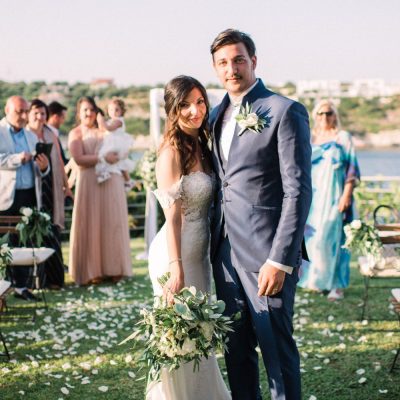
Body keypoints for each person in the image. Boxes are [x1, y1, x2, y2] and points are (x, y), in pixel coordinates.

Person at [209, 29, 312, 400]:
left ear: (254, 61)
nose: (231, 69)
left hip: (266, 257)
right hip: (223, 257)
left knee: (277, 354)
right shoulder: (215, 114)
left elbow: (298, 191)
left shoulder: (284, 111)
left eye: (238, 60)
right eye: (223, 62)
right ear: (215, 68)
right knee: (236, 353)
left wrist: (280, 260)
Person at [147, 76, 231, 400]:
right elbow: (173, 217)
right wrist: (176, 267)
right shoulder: (171, 151)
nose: (195, 111)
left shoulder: (204, 146)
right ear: (173, 109)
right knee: (179, 337)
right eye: (184, 105)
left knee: (200, 333)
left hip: (200, 253)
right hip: (175, 254)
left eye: (199, 102)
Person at [298, 99, 360, 301]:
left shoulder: (343, 138)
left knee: (332, 240)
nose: (325, 117)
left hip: (334, 195)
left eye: (329, 113)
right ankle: (315, 280)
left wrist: (347, 195)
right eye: (321, 113)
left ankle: (335, 285)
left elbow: (352, 169)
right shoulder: (310, 138)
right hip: (312, 197)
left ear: (335, 115)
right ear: (315, 116)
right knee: (312, 240)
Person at [68, 96, 132, 285]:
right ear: (79, 113)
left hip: (110, 180)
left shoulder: (104, 131)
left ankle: (114, 269)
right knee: (90, 224)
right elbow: (79, 158)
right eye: (85, 110)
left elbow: (120, 146)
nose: (89, 113)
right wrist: (103, 158)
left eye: (92, 109)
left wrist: (119, 157)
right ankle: (90, 270)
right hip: (87, 182)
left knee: (112, 223)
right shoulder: (76, 133)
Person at [0, 96, 49, 300]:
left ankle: (21, 287)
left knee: (23, 242)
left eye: (25, 111)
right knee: (3, 243)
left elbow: (42, 169)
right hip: (4, 197)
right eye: (18, 111)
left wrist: (44, 167)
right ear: (7, 110)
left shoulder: (31, 136)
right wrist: (18, 159)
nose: (22, 116)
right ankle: (2, 286)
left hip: (28, 195)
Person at [26, 99, 72, 289]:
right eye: (36, 113)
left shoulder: (50, 133)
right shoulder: (25, 134)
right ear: (29, 114)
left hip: (50, 186)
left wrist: (65, 184)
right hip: (31, 188)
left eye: (43, 113)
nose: (39, 117)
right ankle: (35, 281)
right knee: (34, 233)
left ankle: (54, 279)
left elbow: (59, 160)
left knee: (52, 230)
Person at [95, 98, 135, 191]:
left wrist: (101, 121)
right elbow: (104, 130)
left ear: (122, 111)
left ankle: (105, 173)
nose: (113, 112)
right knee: (119, 163)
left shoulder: (119, 121)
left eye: (116, 110)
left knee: (104, 155)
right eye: (111, 110)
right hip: (111, 142)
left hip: (116, 144)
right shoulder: (111, 120)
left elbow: (109, 128)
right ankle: (128, 181)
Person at [47, 101, 69, 165]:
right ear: (56, 117)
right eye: (63, 118)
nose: (63, 121)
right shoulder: (48, 135)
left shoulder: (53, 133)